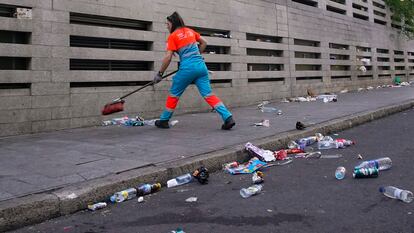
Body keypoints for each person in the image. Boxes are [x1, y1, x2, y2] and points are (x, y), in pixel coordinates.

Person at [153, 12, 235, 130]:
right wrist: (197, 55)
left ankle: (164, 120)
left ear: (173, 23)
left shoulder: (173, 36)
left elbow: (168, 57)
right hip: (201, 67)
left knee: (174, 94)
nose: (167, 26)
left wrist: (160, 73)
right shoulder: (190, 31)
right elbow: (204, 42)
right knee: (208, 94)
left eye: (167, 24)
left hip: (187, 69)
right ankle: (228, 117)